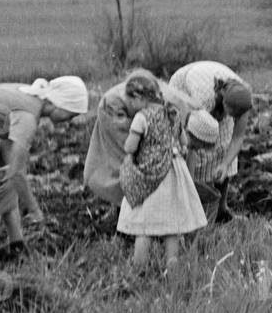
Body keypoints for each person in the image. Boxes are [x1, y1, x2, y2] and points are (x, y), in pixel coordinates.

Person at [0, 76, 89, 258]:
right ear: (61, 104)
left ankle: (17, 246)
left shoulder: (30, 100)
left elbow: (4, 132)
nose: (70, 120)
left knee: (6, 188)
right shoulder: (28, 118)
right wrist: (35, 210)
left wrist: (9, 167)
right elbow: (17, 173)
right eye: (71, 114)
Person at [116, 73, 207, 270]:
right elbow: (184, 142)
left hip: (149, 175)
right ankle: (172, 267)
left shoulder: (142, 117)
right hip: (173, 173)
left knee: (143, 226)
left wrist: (130, 146)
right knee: (171, 227)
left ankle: (139, 268)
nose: (130, 106)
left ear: (140, 98)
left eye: (131, 101)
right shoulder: (172, 112)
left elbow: (131, 147)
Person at [83, 70, 208, 214]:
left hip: (143, 123)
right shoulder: (116, 105)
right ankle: (124, 211)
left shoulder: (174, 107)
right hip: (114, 114)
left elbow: (183, 142)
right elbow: (129, 147)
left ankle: (142, 209)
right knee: (127, 167)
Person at [168, 61, 254, 224]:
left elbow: (236, 138)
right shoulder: (203, 99)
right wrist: (189, 185)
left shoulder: (242, 100)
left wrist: (224, 165)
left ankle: (221, 209)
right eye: (232, 115)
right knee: (196, 143)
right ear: (225, 105)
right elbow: (192, 144)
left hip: (213, 88)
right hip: (184, 87)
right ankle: (185, 204)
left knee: (223, 144)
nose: (234, 118)